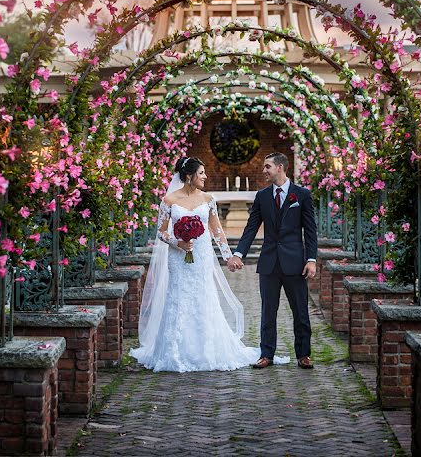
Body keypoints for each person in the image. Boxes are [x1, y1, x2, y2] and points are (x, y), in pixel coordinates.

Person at [130, 156, 288, 372]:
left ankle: (206, 349)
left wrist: (229, 257)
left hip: (202, 258)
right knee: (178, 297)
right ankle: (175, 350)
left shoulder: (208, 199)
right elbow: (161, 232)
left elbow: (217, 232)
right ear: (189, 176)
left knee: (203, 296)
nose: (205, 176)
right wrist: (178, 242)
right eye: (201, 173)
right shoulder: (169, 201)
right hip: (178, 259)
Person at [232, 152, 318, 370]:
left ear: (280, 167)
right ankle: (266, 354)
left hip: (295, 263)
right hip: (269, 262)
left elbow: (310, 231)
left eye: (267, 166)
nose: (264, 170)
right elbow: (251, 228)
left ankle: (304, 354)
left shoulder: (302, 195)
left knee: (300, 311)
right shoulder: (262, 196)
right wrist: (238, 253)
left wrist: (311, 260)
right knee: (268, 311)